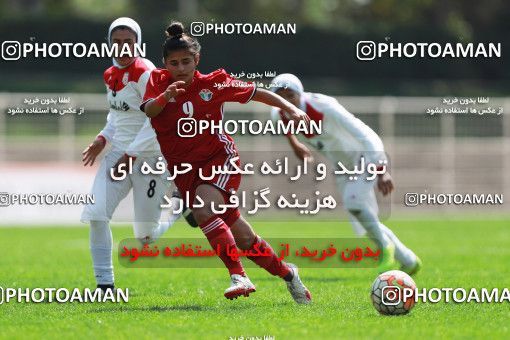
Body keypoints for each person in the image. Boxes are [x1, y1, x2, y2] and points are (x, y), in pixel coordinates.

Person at [141, 21, 312, 303]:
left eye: (186, 61)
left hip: (220, 159)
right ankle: (289, 275)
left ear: (197, 60)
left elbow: (257, 92)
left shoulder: (214, 83)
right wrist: (166, 96)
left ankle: (239, 276)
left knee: (203, 210)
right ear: (165, 64)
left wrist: (291, 108)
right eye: (174, 63)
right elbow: (149, 110)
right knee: (245, 239)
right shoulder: (157, 82)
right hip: (185, 172)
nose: (180, 68)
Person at [81, 17, 193, 292]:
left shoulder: (146, 72)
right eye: (116, 43)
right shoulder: (110, 74)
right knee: (96, 214)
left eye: (128, 43)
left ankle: (178, 209)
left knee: (144, 238)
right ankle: (104, 286)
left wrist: (131, 155)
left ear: (137, 44)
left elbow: (156, 119)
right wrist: (102, 138)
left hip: (149, 158)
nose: (122, 48)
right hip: (119, 153)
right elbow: (118, 115)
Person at [269, 73, 422, 275]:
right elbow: (286, 127)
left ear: (301, 93)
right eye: (280, 96)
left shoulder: (324, 106)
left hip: (364, 157)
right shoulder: (278, 114)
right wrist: (295, 144)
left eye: (291, 95)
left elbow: (366, 134)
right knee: (363, 223)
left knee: (354, 203)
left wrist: (381, 169)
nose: (287, 101)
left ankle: (386, 248)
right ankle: (409, 260)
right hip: (341, 167)